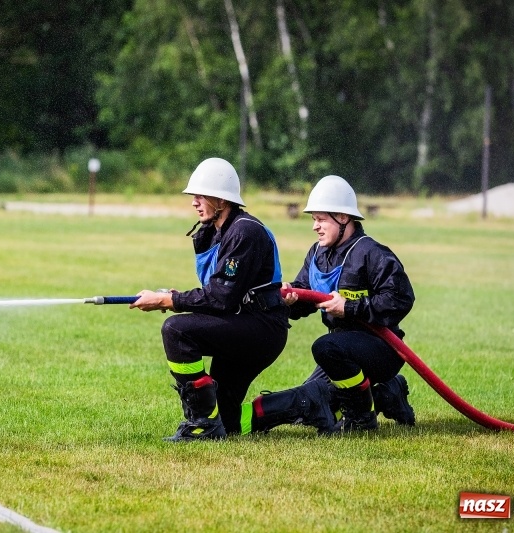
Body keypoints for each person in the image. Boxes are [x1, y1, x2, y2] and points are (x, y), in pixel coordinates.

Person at [240, 175, 416, 435]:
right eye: (314, 219)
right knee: (314, 398)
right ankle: (388, 393)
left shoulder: (372, 253)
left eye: (321, 219)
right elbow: (306, 295)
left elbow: (401, 299)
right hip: (340, 352)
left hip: (381, 349)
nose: (315, 227)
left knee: (324, 347)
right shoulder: (316, 254)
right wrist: (292, 300)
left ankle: (360, 421)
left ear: (343, 218)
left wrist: (350, 307)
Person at [130, 157, 290, 441]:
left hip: (261, 328)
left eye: (201, 195)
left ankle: (201, 423)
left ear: (222, 199)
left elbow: (221, 297)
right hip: (244, 323)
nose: (194, 202)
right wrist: (170, 296)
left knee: (177, 330)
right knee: (228, 420)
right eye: (194, 196)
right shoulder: (218, 232)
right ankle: (304, 403)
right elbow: (219, 292)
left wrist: (169, 300)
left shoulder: (244, 231)